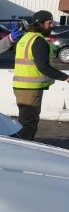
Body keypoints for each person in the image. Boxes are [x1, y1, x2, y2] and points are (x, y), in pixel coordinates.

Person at [13, 10, 69, 140]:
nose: (52, 25)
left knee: (26, 121)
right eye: (49, 23)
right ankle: (22, 150)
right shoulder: (38, 41)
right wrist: (65, 77)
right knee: (28, 124)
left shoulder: (26, 37)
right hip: (30, 89)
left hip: (23, 87)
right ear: (40, 24)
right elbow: (43, 67)